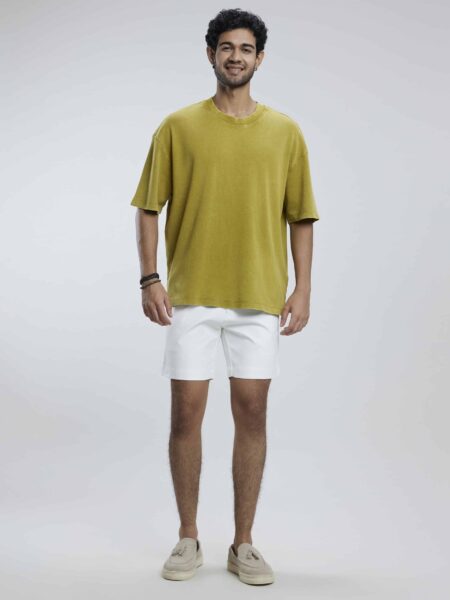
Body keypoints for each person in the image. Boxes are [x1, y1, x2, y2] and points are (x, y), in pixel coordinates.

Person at [130, 8, 320, 586]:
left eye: (246, 48)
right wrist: (149, 277)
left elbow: (301, 216)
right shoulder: (177, 127)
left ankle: (243, 544)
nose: (236, 56)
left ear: (260, 58)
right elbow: (147, 207)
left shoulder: (285, 132)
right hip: (191, 296)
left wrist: (302, 287)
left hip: (259, 298)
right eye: (226, 47)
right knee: (185, 414)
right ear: (210, 53)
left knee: (252, 413)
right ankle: (188, 537)